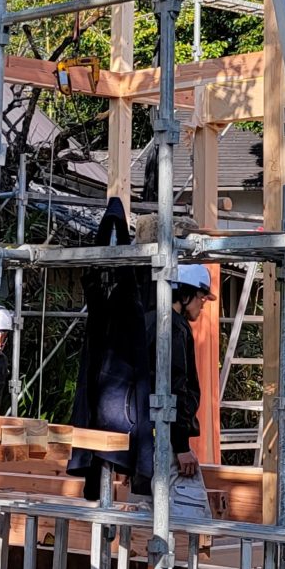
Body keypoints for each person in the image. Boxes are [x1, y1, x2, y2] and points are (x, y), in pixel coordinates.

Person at [67, 198, 210, 497]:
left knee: (141, 509)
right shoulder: (173, 327)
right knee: (181, 512)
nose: (203, 305)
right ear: (185, 294)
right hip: (161, 439)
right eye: (201, 297)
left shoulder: (146, 317)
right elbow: (176, 385)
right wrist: (181, 445)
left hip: (138, 435)